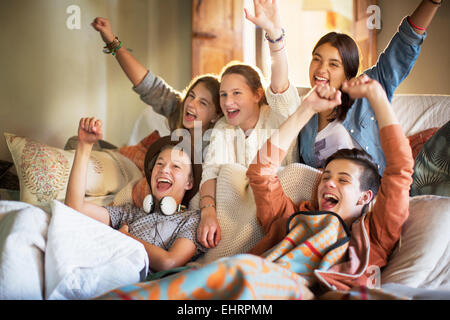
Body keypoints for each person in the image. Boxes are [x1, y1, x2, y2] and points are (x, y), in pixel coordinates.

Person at [246, 75, 414, 290]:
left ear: (365, 197)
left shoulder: (374, 237)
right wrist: (306, 110)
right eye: (326, 177)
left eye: (343, 180)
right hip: (256, 286)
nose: (329, 184)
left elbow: (400, 170)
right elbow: (261, 172)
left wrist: (378, 99)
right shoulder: (288, 218)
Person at [269, 0, 441, 175]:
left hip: (371, 194)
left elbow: (405, 42)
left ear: (348, 75)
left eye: (333, 64)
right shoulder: (303, 112)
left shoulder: (366, 92)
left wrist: (432, 3)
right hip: (328, 197)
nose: (321, 69)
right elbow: (280, 89)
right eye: (317, 59)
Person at [196, 0, 301, 249]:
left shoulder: (277, 115)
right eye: (223, 94)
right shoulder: (223, 128)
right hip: (235, 210)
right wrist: (208, 212)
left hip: (277, 203)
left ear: (256, 94)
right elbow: (211, 173)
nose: (227, 101)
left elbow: (281, 87)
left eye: (236, 93)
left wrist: (273, 34)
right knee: (223, 178)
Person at [91, 17, 222, 209]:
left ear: (216, 115)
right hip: (138, 162)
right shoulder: (177, 109)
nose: (191, 104)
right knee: (79, 144)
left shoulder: (216, 142)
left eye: (202, 102)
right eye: (191, 96)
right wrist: (112, 41)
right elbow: (146, 83)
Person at [65, 117, 206, 273]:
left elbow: (169, 262)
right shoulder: (130, 212)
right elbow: (74, 208)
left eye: (176, 166)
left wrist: (123, 238)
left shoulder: (191, 220)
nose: (164, 170)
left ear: (189, 183)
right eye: (159, 163)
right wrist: (84, 147)